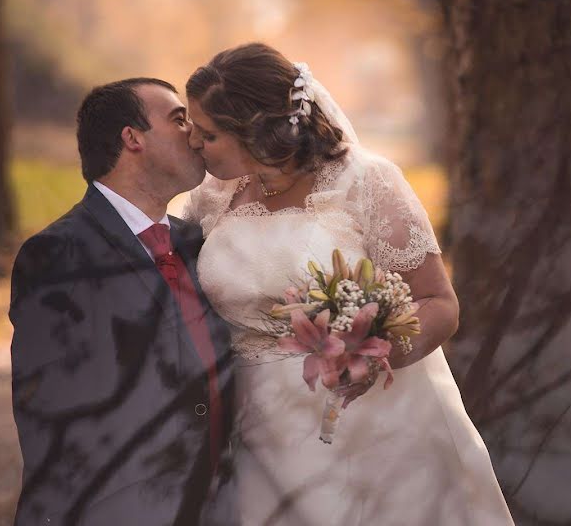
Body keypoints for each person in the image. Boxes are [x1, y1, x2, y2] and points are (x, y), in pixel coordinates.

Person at [183, 43, 514, 525]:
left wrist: (374, 356)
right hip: (255, 419)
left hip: (373, 419)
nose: (193, 142)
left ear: (256, 131)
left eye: (208, 134)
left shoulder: (365, 182)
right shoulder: (213, 197)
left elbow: (439, 302)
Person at [9, 78, 236, 525]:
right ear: (131, 138)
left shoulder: (200, 243)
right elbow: (53, 423)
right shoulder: (59, 253)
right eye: (177, 119)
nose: (193, 134)